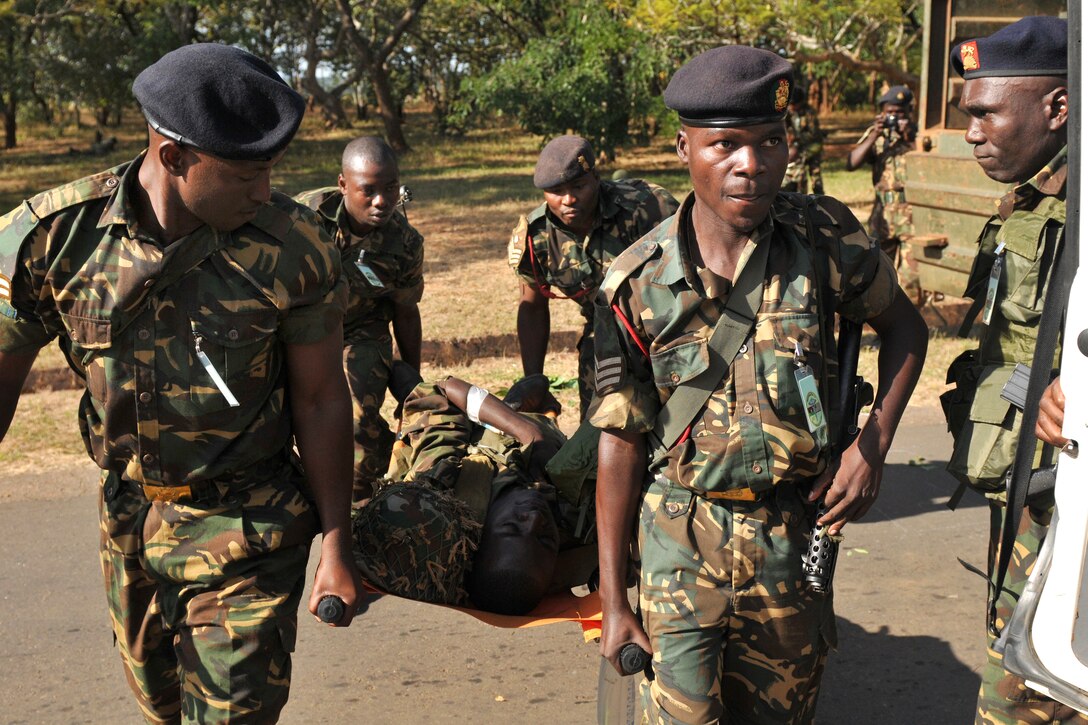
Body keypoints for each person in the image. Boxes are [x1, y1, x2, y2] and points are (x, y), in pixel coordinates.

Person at [0, 44, 364, 723]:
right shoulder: (55, 240)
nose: (264, 191)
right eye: (245, 174)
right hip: (130, 520)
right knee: (165, 710)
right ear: (172, 157)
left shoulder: (294, 245)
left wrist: (337, 540)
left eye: (270, 172)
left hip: (249, 521)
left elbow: (319, 398)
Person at [590, 45, 927, 723]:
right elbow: (620, 442)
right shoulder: (635, 283)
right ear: (684, 147)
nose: (753, 164)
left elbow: (905, 329)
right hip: (679, 537)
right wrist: (613, 596)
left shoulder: (824, 238)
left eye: (771, 142)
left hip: (790, 534)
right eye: (727, 145)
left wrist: (872, 443)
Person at [940, 16, 1085, 725]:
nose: (970, 132)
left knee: (1023, 698)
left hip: (1075, 504)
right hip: (1031, 492)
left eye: (985, 112)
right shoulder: (1033, 198)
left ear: (1058, 106)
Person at [354, 371, 600, 615]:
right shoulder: (576, 520)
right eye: (546, 539)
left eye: (512, 526)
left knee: (401, 376)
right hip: (534, 430)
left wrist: (525, 431)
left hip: (485, 426)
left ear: (478, 535)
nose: (536, 519)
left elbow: (439, 391)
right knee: (539, 385)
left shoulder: (450, 482)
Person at [507, 135, 679, 419]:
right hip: (603, 338)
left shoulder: (647, 207)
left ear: (596, 178)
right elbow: (533, 308)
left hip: (667, 329)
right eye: (556, 190)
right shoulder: (535, 239)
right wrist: (533, 381)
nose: (568, 199)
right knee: (602, 431)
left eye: (578, 186)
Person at [296, 136, 424, 502]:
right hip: (300, 329)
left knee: (356, 420)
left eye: (391, 188)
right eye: (368, 191)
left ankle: (358, 506)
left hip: (362, 332)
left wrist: (410, 384)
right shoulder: (304, 217)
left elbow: (405, 309)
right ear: (343, 185)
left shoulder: (405, 243)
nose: (382, 201)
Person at [846, 84, 917, 264]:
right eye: (889, 112)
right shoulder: (878, 135)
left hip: (913, 215)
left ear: (910, 110)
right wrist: (875, 134)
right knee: (878, 272)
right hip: (882, 215)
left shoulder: (920, 134)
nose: (894, 117)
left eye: (899, 112)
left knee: (912, 278)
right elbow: (851, 163)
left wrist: (909, 137)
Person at [784, 87, 825, 194]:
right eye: (790, 104)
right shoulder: (788, 112)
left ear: (800, 103)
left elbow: (813, 134)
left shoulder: (809, 113)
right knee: (799, 173)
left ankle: (820, 199)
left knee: (815, 175)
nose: (791, 107)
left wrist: (796, 138)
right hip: (797, 148)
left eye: (794, 104)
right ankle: (801, 196)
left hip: (812, 146)